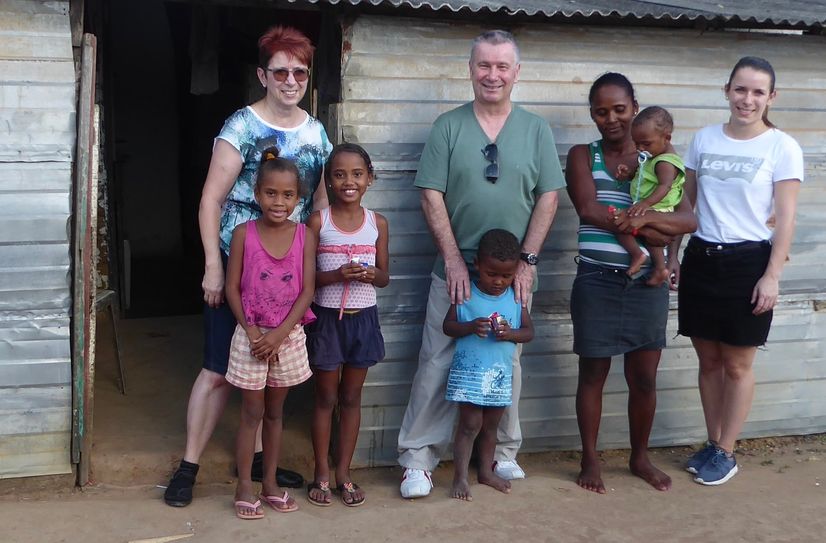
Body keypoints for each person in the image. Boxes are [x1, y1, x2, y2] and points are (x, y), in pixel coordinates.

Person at [164, 25, 331, 508]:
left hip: (286, 280)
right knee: (218, 370)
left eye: (300, 71)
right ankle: (189, 466)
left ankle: (261, 463)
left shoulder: (315, 131)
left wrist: (315, 266)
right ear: (263, 74)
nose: (291, 80)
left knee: (270, 374)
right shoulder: (241, 126)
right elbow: (210, 200)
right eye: (281, 71)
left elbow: (317, 205)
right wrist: (213, 268)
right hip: (238, 273)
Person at [397, 29, 566, 499]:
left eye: (502, 66)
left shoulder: (534, 128)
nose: (492, 75)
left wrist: (528, 262)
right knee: (437, 360)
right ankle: (418, 459)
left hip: (510, 276)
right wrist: (452, 259)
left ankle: (502, 454)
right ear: (470, 69)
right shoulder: (449, 126)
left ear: (517, 72)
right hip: (455, 271)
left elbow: (548, 196)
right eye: (483, 65)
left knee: (506, 360)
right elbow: (431, 193)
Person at [565, 72, 697, 494]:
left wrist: (646, 224)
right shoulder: (582, 155)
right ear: (592, 114)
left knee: (644, 378)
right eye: (601, 111)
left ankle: (639, 457)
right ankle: (590, 458)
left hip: (647, 285)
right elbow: (588, 208)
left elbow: (688, 220)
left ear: (634, 108)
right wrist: (650, 229)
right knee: (593, 374)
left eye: (619, 109)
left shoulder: (659, 156)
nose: (611, 118)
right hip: (597, 280)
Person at [676, 57, 803, 486]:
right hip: (701, 259)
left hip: (748, 262)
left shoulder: (781, 147)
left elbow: (785, 219)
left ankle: (727, 451)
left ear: (771, 97)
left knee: (737, 365)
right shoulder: (704, 139)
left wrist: (772, 275)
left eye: (757, 92)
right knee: (708, 360)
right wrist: (674, 255)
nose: (747, 100)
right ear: (726, 90)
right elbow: (685, 205)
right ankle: (712, 444)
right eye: (740, 90)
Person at [224, 148, 317, 519]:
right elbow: (232, 289)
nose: (279, 202)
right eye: (271, 194)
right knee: (251, 412)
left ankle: (270, 483)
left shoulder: (305, 236)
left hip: (288, 336)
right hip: (250, 336)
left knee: (276, 412)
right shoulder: (243, 234)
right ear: (257, 193)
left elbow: (307, 290)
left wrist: (279, 334)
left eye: (288, 195)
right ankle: (245, 484)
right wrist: (251, 332)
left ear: (299, 198)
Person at [305, 144, 390, 507]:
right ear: (328, 180)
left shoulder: (378, 223)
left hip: (363, 320)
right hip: (327, 321)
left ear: (369, 178)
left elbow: (385, 277)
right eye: (339, 174)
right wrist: (338, 274)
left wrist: (371, 274)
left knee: (352, 398)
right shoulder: (318, 222)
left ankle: (344, 472)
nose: (348, 181)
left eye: (357, 174)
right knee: (326, 398)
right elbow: (307, 281)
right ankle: (321, 472)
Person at [444, 229, 534, 502]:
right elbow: (448, 326)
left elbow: (529, 333)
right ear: (477, 266)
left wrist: (510, 334)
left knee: (491, 426)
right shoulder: (466, 294)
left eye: (506, 276)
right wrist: (471, 326)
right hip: (470, 373)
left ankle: (485, 470)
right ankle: (460, 476)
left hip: (498, 375)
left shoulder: (516, 298)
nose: (499, 281)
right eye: (492, 273)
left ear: (516, 271)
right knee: (469, 424)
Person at [613, 106, 685, 286]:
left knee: (622, 223)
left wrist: (645, 205)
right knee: (623, 225)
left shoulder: (665, 162)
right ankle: (651, 262)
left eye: (646, 143)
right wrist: (628, 174)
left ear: (666, 138)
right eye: (636, 143)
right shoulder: (651, 157)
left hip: (658, 207)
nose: (640, 148)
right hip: (649, 206)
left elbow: (664, 186)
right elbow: (643, 178)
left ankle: (657, 266)